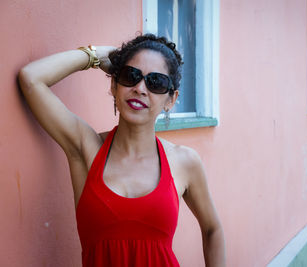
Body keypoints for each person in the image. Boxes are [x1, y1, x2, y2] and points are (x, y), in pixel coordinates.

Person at [18, 33, 226, 267]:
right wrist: (97, 55)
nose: (140, 88)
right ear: (114, 86)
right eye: (130, 75)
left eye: (155, 82)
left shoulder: (184, 161)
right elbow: (30, 79)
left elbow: (212, 229)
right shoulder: (86, 148)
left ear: (171, 99)